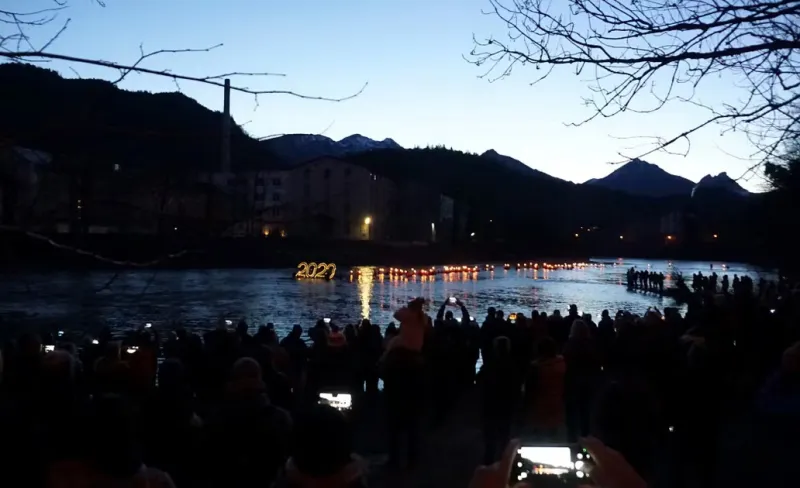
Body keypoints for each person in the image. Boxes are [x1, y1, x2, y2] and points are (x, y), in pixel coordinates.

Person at [480, 336, 521, 464]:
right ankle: (505, 460)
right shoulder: (512, 365)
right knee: (505, 433)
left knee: (490, 436)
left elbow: (481, 381)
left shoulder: (490, 364)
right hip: (506, 403)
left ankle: (489, 461)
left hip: (491, 403)